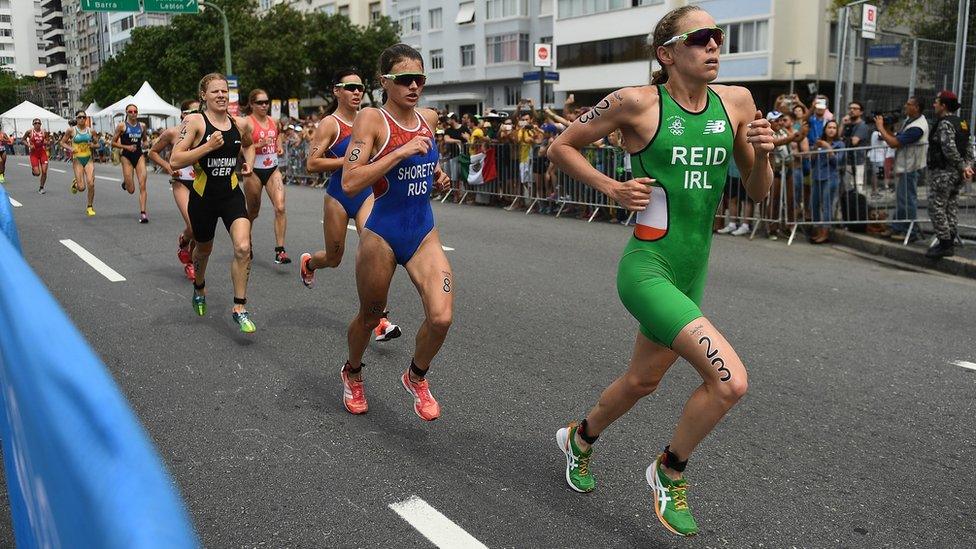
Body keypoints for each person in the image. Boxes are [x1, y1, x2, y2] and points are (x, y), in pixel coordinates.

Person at [547, 5, 774, 537]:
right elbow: (561, 147)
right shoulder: (635, 103)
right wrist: (611, 188)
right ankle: (668, 470)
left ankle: (579, 438)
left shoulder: (736, 102)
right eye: (701, 39)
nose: (714, 46)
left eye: (719, 37)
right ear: (667, 54)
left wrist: (764, 157)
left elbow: (759, 192)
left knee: (642, 381)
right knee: (729, 381)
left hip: (693, 270)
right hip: (647, 267)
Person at [339, 44, 452, 420]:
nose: (415, 86)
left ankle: (416, 377)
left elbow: (425, 162)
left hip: (422, 231)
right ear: (384, 81)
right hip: (382, 234)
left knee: (441, 318)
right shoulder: (372, 119)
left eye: (420, 78)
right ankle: (353, 372)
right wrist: (400, 153)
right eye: (405, 79)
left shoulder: (429, 118)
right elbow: (351, 181)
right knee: (370, 318)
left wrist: (436, 175)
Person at [300, 68, 402, 343]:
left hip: (366, 193)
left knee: (373, 250)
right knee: (334, 258)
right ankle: (310, 263)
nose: (357, 92)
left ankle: (378, 319)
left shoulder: (369, 119)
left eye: (360, 88)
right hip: (338, 196)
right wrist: (349, 163)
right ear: (337, 91)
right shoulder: (330, 124)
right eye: (350, 87)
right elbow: (312, 164)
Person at [170, 73, 257, 333]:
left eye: (224, 91)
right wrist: (207, 147)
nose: (221, 95)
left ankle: (239, 307)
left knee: (243, 247)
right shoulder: (195, 121)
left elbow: (250, 145)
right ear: (203, 96)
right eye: (215, 91)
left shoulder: (240, 124)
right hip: (203, 199)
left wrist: (248, 162)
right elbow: (175, 160)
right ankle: (199, 285)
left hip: (231, 195)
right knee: (204, 250)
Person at [148, 99, 202, 281]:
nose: (195, 113)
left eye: (198, 110)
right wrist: (168, 167)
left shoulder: (205, 131)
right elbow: (152, 152)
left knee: (199, 229)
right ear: (182, 115)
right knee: (195, 225)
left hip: (202, 184)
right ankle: (190, 263)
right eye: (191, 111)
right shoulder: (173, 132)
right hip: (181, 182)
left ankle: (184, 241)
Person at [241, 89, 291, 264]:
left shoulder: (273, 121)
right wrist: (257, 144)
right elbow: (240, 147)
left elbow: (278, 136)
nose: (264, 105)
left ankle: (280, 250)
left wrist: (279, 146)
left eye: (266, 102)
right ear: (252, 104)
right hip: (253, 170)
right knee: (253, 211)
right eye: (260, 102)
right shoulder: (247, 123)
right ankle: (246, 240)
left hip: (272, 169)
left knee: (280, 207)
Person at [925, 91, 974, 258]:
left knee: (936, 206)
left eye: (936, 102)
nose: (934, 105)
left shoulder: (945, 123)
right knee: (951, 206)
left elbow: (948, 148)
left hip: (944, 172)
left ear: (944, 105)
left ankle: (945, 243)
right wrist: (967, 167)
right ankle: (949, 240)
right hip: (957, 174)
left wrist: (963, 166)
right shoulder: (962, 123)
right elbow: (969, 148)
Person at [874, 96, 928, 241]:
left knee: (907, 200)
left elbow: (894, 143)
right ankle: (897, 226)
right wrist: (885, 128)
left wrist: (880, 127)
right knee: (901, 199)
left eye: (909, 104)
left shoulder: (918, 127)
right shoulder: (909, 122)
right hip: (902, 165)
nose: (905, 106)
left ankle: (911, 231)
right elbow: (894, 137)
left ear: (916, 107)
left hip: (910, 167)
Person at [112, 104, 151, 223]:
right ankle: (126, 183)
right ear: (126, 112)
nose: (133, 113)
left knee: (143, 184)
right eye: (130, 111)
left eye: (135, 111)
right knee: (131, 190)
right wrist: (126, 147)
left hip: (138, 156)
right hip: (126, 157)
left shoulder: (142, 126)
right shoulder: (122, 126)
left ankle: (143, 213)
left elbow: (144, 140)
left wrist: (146, 143)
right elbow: (113, 143)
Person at [810, 120, 845, 244]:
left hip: (831, 177)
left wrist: (828, 147)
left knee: (826, 205)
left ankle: (825, 233)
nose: (831, 130)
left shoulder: (839, 144)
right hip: (816, 177)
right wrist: (814, 149)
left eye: (834, 128)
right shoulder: (819, 143)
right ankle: (817, 231)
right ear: (825, 129)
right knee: (813, 204)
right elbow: (812, 163)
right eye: (829, 127)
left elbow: (837, 162)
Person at [61, 111, 96, 216]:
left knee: (91, 183)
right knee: (81, 188)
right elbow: (62, 142)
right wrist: (70, 148)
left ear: (86, 118)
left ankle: (90, 207)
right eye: (79, 117)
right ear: (76, 118)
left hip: (88, 159)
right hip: (77, 160)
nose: (82, 119)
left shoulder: (91, 131)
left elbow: (97, 143)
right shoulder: (71, 130)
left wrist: (93, 145)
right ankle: (76, 184)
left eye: (83, 117)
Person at [839, 100, 870, 195]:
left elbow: (854, 141)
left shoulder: (862, 126)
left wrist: (843, 139)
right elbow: (838, 137)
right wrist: (842, 124)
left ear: (861, 112)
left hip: (857, 162)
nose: (852, 110)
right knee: (847, 187)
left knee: (857, 187)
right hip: (846, 160)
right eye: (850, 108)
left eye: (855, 109)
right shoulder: (847, 124)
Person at [25, 119, 49, 194]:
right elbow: (23, 140)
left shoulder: (44, 132)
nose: (37, 124)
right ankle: (34, 171)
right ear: (33, 124)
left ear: (40, 124)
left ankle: (41, 188)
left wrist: (47, 142)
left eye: (39, 123)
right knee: (37, 173)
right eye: (35, 123)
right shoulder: (29, 132)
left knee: (44, 171)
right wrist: (29, 145)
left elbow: (48, 141)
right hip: (34, 154)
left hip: (42, 153)